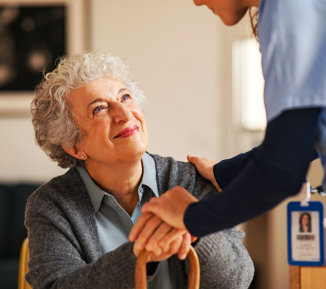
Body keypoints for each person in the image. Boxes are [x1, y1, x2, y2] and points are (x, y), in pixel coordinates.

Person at [25, 52, 254, 289]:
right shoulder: (52, 205)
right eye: (99, 109)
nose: (124, 115)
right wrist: (140, 255)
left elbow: (237, 280)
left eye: (125, 97)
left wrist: (195, 220)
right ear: (75, 146)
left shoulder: (189, 181)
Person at [129, 0, 326, 251]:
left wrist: (191, 217)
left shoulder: (286, 10)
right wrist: (225, 173)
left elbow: (282, 171)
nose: (197, 1)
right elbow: (306, 139)